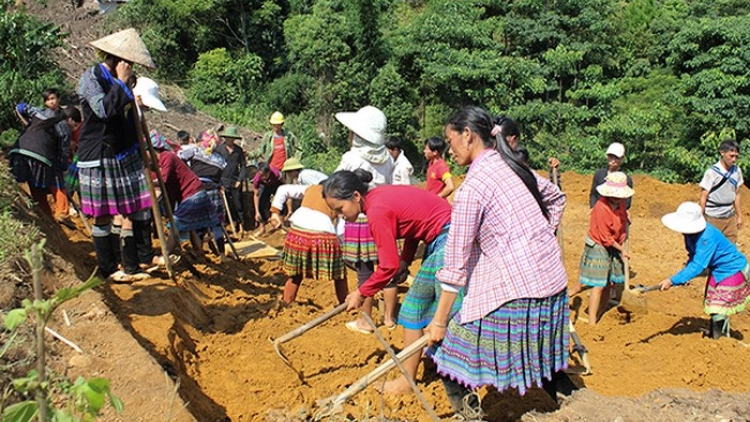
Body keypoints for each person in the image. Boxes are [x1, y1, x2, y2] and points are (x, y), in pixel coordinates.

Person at [425, 106, 572, 419]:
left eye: (451, 141)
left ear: (468, 136)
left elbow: (454, 266)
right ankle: (574, 403)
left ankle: (471, 416)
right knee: (541, 356)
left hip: (516, 291)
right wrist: (537, 238)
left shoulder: (472, 188)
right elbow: (556, 198)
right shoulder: (513, 166)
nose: (449, 150)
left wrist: (438, 323)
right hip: (551, 282)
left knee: (445, 355)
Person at [323, 169, 458, 394]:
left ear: (356, 197)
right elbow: (414, 225)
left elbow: (387, 266)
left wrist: (361, 292)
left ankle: (407, 382)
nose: (340, 215)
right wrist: (406, 260)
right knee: (438, 309)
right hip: (447, 234)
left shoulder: (376, 210)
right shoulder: (380, 197)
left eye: (340, 209)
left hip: (447, 239)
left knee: (413, 309)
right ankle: (442, 363)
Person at [75, 28, 155, 281]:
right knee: (103, 214)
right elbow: (103, 111)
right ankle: (108, 268)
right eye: (129, 63)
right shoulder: (91, 78)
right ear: (118, 59)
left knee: (137, 207)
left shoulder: (125, 80)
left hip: (123, 152)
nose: (131, 68)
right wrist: (121, 83)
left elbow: (126, 115)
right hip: (99, 153)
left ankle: (138, 260)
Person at [334, 105, 396, 333]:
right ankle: (389, 318)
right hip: (383, 214)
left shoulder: (351, 158)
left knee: (364, 269)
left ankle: (366, 319)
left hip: (360, 219)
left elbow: (336, 186)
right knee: (387, 267)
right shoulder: (388, 159)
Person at [658, 202, 750, 339]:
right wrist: (684, 277)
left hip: (732, 269)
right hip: (718, 270)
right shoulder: (690, 235)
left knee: (717, 305)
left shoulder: (706, 237)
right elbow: (692, 257)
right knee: (712, 301)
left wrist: (672, 280)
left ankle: (721, 339)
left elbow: (698, 265)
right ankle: (717, 334)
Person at [575, 172, 633, 325]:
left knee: (610, 283)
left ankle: (601, 311)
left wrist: (625, 229)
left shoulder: (620, 204)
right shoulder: (601, 207)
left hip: (614, 244)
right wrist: (621, 250)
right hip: (599, 243)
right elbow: (605, 237)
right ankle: (592, 321)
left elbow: (622, 224)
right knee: (599, 284)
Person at [279, 181, 348, 305]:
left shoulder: (310, 188)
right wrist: (340, 246)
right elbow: (341, 228)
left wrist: (274, 211)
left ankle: (287, 302)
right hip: (323, 235)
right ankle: (345, 304)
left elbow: (283, 190)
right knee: (339, 274)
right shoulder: (337, 196)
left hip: (297, 233)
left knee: (296, 273)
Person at [151, 131, 218, 255]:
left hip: (193, 193)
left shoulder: (167, 156)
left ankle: (165, 254)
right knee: (190, 226)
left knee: (176, 225)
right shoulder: (157, 165)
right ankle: (199, 251)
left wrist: (148, 182)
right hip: (190, 194)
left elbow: (163, 179)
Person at [15, 88, 72, 223]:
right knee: (56, 180)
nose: (52, 102)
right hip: (40, 155)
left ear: (59, 99)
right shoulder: (45, 116)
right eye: (48, 99)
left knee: (35, 183)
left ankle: (47, 216)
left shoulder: (39, 114)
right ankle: (61, 213)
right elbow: (20, 107)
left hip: (21, 150)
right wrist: (63, 166)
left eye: (54, 98)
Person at [178, 131, 229, 261]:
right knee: (216, 224)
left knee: (198, 222)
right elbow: (219, 177)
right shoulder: (220, 159)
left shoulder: (195, 151)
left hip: (197, 189)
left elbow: (179, 158)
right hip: (212, 190)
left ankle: (199, 251)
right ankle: (222, 255)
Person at [699, 139, 743, 244]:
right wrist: (701, 214)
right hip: (712, 217)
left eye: (736, 156)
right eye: (731, 156)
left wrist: (740, 216)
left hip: (729, 217)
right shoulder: (712, 172)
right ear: (722, 153)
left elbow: (737, 194)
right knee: (711, 246)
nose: (734, 160)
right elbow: (703, 195)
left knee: (730, 248)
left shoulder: (737, 171)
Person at [215, 126, 247, 235]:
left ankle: (241, 226)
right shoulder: (219, 150)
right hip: (222, 180)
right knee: (224, 205)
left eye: (232, 138)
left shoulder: (238, 151)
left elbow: (243, 166)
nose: (230, 140)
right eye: (228, 138)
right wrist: (218, 182)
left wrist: (239, 180)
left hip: (235, 181)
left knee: (238, 204)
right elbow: (215, 166)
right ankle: (224, 229)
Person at [589, 142, 633, 210]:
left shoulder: (625, 179)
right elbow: (593, 194)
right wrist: (593, 208)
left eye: (616, 158)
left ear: (622, 158)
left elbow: (627, 203)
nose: (613, 160)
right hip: (599, 211)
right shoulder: (599, 174)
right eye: (611, 156)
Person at [252, 162, 283, 236]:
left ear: (269, 172)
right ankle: (262, 229)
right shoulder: (257, 179)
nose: (263, 177)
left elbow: (283, 185)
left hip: (276, 183)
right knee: (261, 204)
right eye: (261, 175)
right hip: (264, 186)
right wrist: (257, 212)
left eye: (265, 175)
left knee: (281, 202)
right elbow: (256, 195)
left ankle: (281, 225)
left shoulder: (276, 173)